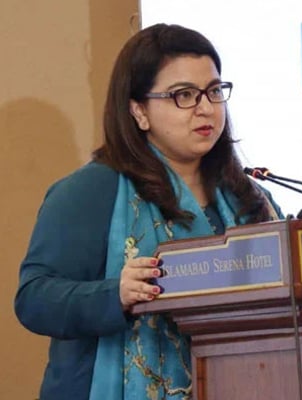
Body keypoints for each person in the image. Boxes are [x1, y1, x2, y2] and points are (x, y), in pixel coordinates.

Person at [14, 23, 283, 399]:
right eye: (183, 95)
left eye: (213, 91)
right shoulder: (90, 192)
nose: (205, 108)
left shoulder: (249, 197)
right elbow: (34, 299)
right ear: (139, 111)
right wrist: (115, 295)